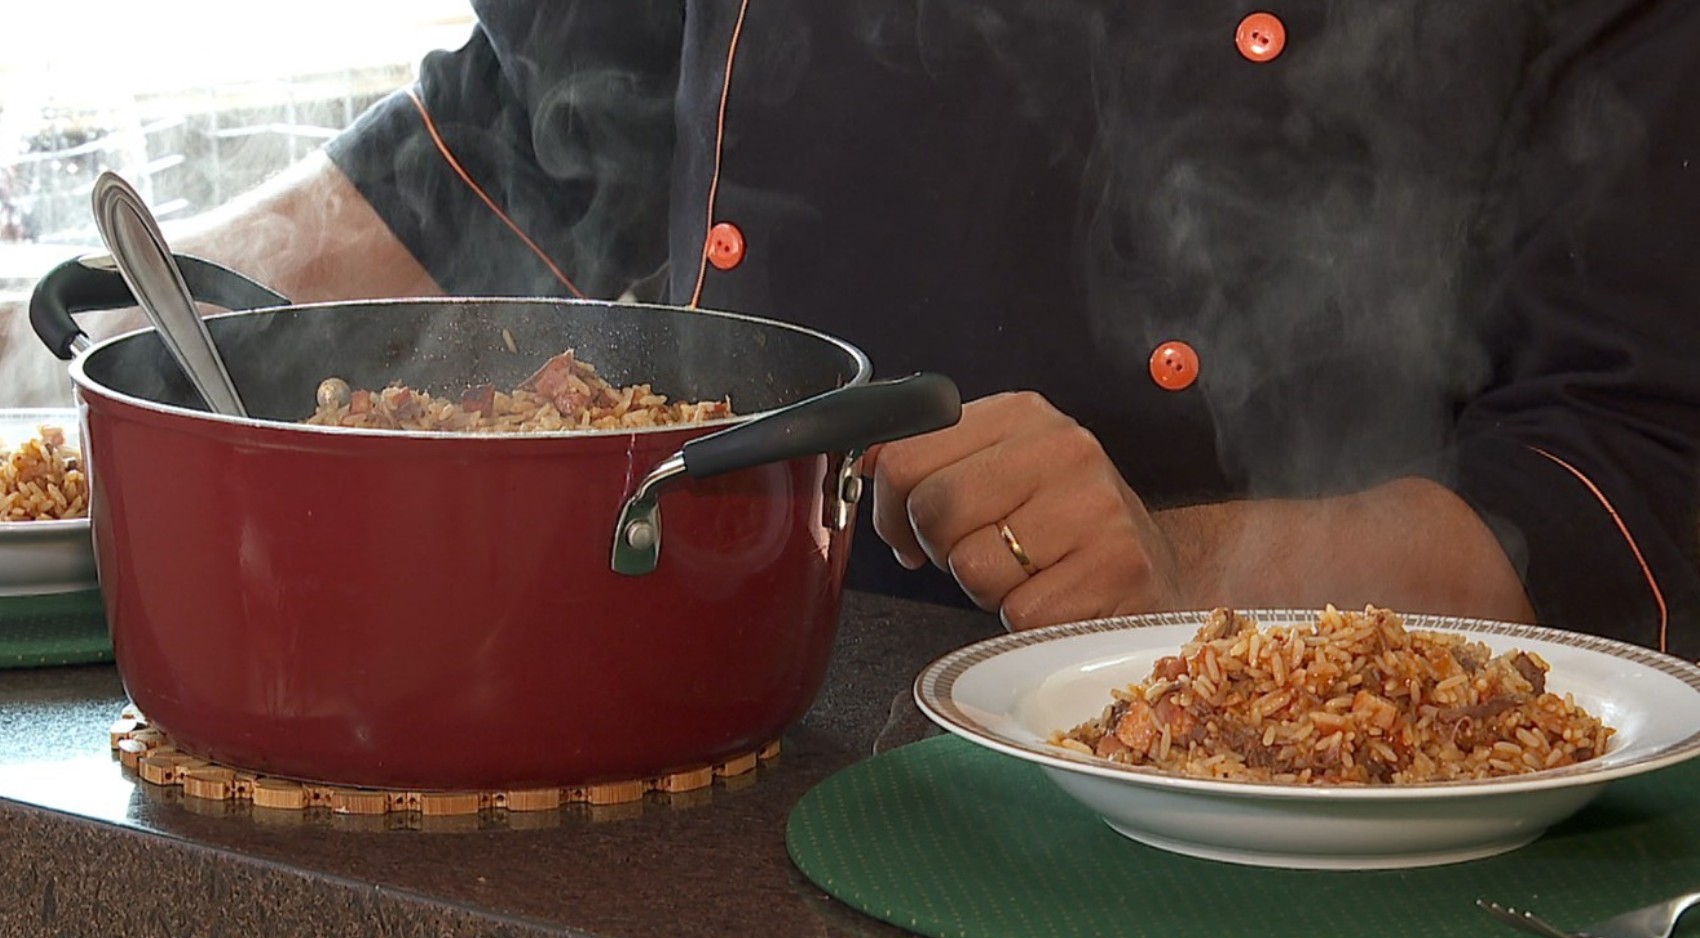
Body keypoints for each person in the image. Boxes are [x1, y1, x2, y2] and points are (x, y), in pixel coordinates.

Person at [5, 0, 1698, 658]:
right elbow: (518, 140)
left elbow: (1633, 479)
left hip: (1270, 817)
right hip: (704, 715)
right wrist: (64, 371)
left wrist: (1184, 578)